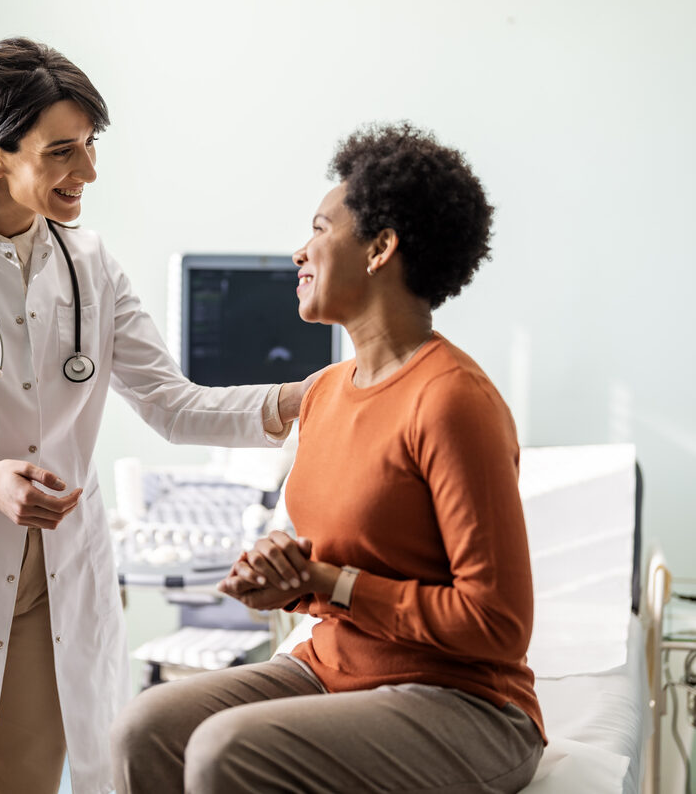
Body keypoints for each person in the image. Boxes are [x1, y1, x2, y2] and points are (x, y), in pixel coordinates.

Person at [0, 37, 313, 794]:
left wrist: (315, 395)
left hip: (58, 577)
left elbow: (175, 405)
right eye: (63, 151)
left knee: (32, 780)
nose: (89, 172)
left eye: (92, 145)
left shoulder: (90, 263)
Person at [110, 122, 546, 793]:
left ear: (380, 249)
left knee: (226, 750)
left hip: (464, 701)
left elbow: (498, 625)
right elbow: (331, 550)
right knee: (144, 729)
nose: (299, 252)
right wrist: (282, 569)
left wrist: (329, 583)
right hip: (333, 668)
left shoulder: (453, 401)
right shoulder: (325, 394)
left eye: (319, 228)